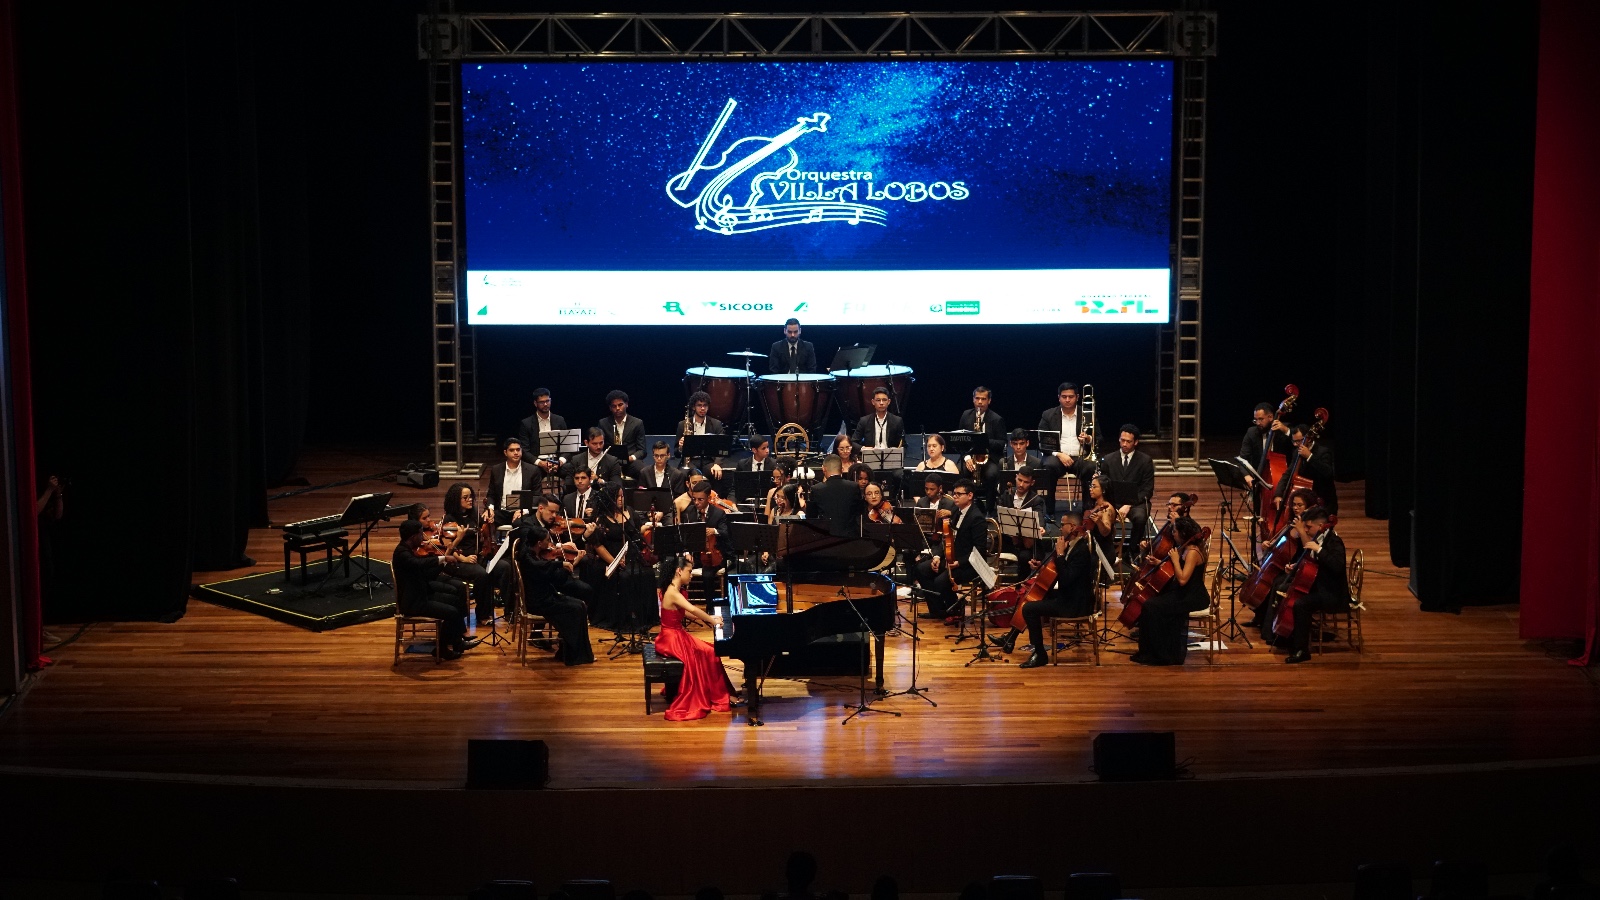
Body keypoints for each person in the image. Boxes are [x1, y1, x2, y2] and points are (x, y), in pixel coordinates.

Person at [989, 509, 1097, 668]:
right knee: (1031, 596)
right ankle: (1010, 639)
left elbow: (1066, 578)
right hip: (1069, 596)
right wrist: (1041, 567)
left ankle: (1040, 654)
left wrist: (1060, 555)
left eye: (1063, 525)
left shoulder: (1081, 550)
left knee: (1029, 608)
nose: (1060, 528)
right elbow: (1061, 572)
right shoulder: (1072, 546)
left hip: (1075, 604)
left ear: (1073, 527)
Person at [653, 554, 738, 720]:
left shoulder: (672, 589)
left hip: (673, 635)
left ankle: (721, 692)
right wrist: (712, 620)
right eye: (689, 571)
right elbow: (692, 609)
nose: (691, 575)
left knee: (710, 649)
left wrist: (709, 618)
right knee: (710, 653)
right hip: (671, 639)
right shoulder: (673, 592)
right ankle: (720, 695)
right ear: (679, 571)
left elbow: (684, 612)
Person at [1132, 493, 1210, 666]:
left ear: (1182, 533)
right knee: (1152, 603)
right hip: (1183, 592)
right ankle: (1152, 651)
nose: (1172, 534)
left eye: (1174, 531)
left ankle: (1161, 654)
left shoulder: (1192, 552)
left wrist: (1174, 560)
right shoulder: (1185, 547)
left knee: (1152, 606)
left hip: (1193, 596)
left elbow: (1182, 579)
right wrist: (1160, 563)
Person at [391, 519, 476, 659]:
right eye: (420, 534)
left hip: (422, 594)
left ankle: (457, 642)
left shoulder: (408, 550)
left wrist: (443, 564)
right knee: (452, 612)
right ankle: (442, 649)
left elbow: (427, 575)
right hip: (413, 602)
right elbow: (418, 564)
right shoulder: (402, 553)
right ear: (413, 537)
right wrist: (442, 559)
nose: (423, 537)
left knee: (455, 601)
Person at [1276, 506, 1350, 664]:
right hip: (1319, 586)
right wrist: (1295, 567)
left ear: (1321, 525)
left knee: (1301, 604)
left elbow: (1337, 566)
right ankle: (1287, 636)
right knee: (1283, 588)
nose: (1305, 530)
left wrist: (1320, 550)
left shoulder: (1334, 541)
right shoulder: (1317, 538)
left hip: (1331, 593)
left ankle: (1302, 650)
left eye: (1308, 527)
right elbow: (1312, 564)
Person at [514, 523, 595, 665]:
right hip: (539, 602)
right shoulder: (530, 560)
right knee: (576, 608)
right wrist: (565, 564)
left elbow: (553, 577)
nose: (550, 543)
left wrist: (568, 564)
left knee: (580, 605)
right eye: (547, 540)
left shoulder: (533, 554)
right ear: (539, 543)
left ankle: (569, 652)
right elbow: (549, 573)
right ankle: (574, 655)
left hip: (545, 597)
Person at [439, 482, 515, 621]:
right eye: (465, 498)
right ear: (456, 499)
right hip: (459, 560)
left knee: (505, 567)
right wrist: (464, 558)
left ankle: (510, 610)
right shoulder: (449, 519)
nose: (470, 500)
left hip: (478, 556)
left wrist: (489, 521)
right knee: (482, 574)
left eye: (471, 497)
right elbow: (447, 548)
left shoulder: (474, 514)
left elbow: (484, 530)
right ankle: (483, 615)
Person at [590, 483, 658, 638]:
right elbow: (598, 545)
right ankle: (626, 620)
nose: (621, 499)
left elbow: (636, 531)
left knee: (647, 574)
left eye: (622, 496)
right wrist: (614, 561)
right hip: (611, 559)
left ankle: (644, 618)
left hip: (632, 556)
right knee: (625, 577)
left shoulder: (630, 512)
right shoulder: (601, 518)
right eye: (617, 497)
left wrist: (649, 528)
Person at [913, 478, 987, 619]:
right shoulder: (957, 512)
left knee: (941, 581)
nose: (955, 497)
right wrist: (937, 556)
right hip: (951, 558)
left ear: (970, 495)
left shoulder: (976, 518)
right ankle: (938, 610)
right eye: (954, 494)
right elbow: (947, 539)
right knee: (921, 569)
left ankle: (955, 608)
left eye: (959, 494)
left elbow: (979, 550)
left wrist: (959, 562)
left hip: (968, 564)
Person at [1037, 382, 1097, 520]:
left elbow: (1099, 438)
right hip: (1057, 456)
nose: (1067, 400)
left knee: (1090, 467)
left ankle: (1087, 511)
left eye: (1071, 396)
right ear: (1059, 397)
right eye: (1064, 397)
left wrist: (1088, 439)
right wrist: (1059, 454)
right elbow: (1041, 441)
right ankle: (1049, 511)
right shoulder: (1048, 415)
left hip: (1080, 456)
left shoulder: (1087, 414)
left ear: (1077, 397)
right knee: (1048, 466)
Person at [1102, 424, 1155, 563]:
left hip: (1135, 503)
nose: (1124, 444)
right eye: (1122, 440)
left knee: (1140, 516)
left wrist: (1129, 504)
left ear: (1136, 442)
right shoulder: (1108, 459)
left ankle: (1132, 550)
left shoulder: (1145, 461)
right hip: (1113, 501)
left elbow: (1147, 490)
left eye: (1128, 441)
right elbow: (1104, 485)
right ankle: (1106, 550)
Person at [1282, 421, 1337, 515]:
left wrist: (1310, 457)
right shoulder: (1296, 452)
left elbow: (1328, 473)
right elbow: (1288, 473)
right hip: (1304, 501)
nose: (1295, 444)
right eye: (1294, 441)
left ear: (1309, 439)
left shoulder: (1323, 452)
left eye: (1299, 441)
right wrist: (1278, 494)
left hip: (1322, 501)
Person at [1239, 401, 1293, 492]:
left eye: (1261, 419)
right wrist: (1247, 476)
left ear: (1271, 417)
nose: (1258, 423)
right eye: (1255, 420)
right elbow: (1242, 459)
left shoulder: (1284, 429)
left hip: (1282, 479)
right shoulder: (1251, 432)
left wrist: (1286, 431)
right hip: (1259, 478)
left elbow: (1297, 444)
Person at [517, 387, 570, 478]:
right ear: (535, 403)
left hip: (556, 460)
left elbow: (567, 447)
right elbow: (524, 450)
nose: (545, 404)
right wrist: (541, 463)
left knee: (572, 470)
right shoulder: (526, 423)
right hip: (538, 462)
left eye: (547, 401)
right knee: (530, 473)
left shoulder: (560, 420)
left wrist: (560, 462)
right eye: (542, 402)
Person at [677, 390, 728, 483]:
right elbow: (676, 452)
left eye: (705, 405)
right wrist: (681, 447)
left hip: (708, 461)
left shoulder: (716, 424)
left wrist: (717, 464)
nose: (703, 408)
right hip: (690, 461)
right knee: (683, 475)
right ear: (693, 407)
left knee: (718, 474)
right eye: (699, 405)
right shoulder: (683, 425)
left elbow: (722, 448)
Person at [807, 455, 864, 537]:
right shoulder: (854, 486)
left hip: (826, 538)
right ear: (842, 469)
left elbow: (811, 517)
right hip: (850, 538)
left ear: (823, 469)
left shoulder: (816, 489)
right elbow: (860, 511)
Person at [485, 436, 535, 527]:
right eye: (512, 450)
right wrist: (490, 509)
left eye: (518, 450)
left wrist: (524, 511)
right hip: (502, 511)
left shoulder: (532, 470)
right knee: (484, 520)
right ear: (505, 452)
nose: (516, 453)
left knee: (519, 523)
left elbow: (537, 496)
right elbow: (491, 494)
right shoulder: (496, 470)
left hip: (521, 512)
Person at [600, 390, 647, 463]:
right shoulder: (603, 423)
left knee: (640, 468)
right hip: (610, 461)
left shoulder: (637, 423)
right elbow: (600, 446)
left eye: (620, 405)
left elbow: (642, 450)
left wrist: (631, 458)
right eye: (614, 406)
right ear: (610, 408)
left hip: (631, 461)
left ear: (626, 404)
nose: (617, 408)